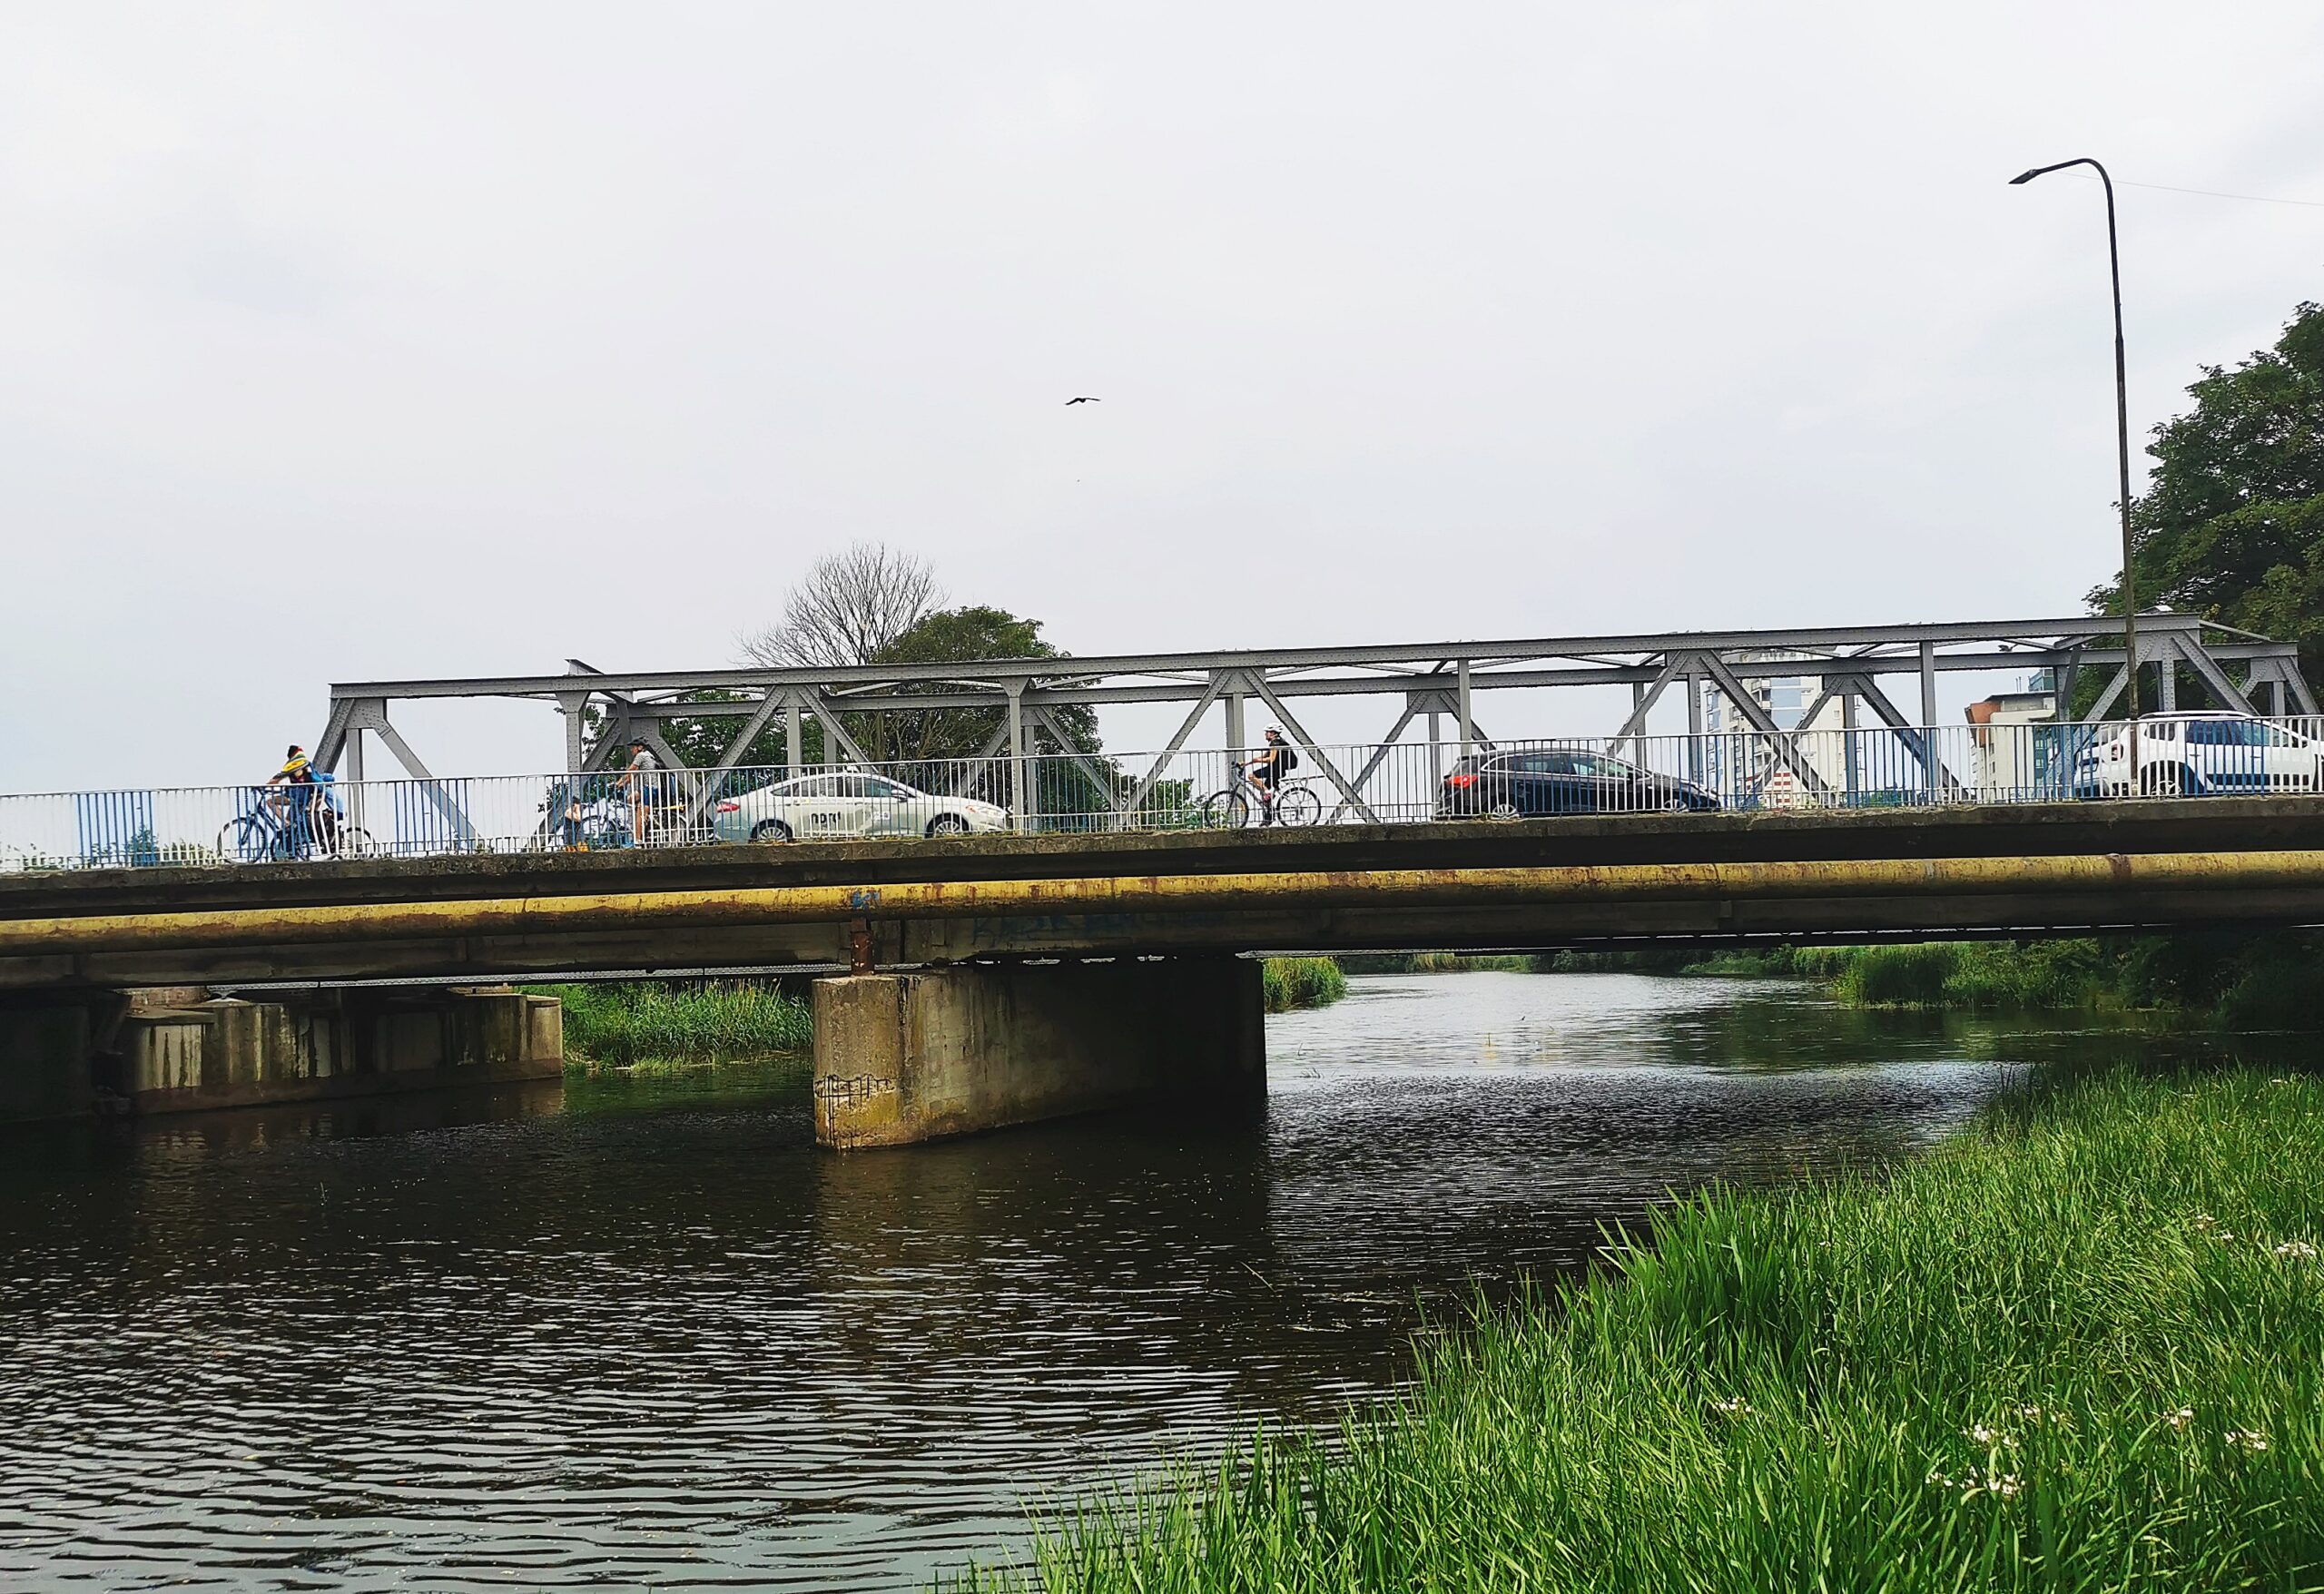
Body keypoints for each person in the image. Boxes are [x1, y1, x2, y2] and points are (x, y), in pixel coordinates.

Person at [1242, 727, 1298, 825]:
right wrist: (1246, 763)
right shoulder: (1276, 742)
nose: (1265, 735)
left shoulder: (1275, 743)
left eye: (1267, 732)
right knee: (1265, 796)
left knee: (1251, 776)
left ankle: (1268, 793)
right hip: (1276, 769)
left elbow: (1271, 759)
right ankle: (1268, 818)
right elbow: (1263, 757)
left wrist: (1256, 760)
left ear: (1272, 733)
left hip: (1276, 770)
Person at [616, 739, 663, 844]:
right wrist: (620, 785)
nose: (631, 750)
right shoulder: (648, 755)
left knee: (640, 813)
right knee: (630, 799)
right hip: (649, 788)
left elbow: (631, 770)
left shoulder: (641, 756)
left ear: (640, 747)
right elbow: (632, 776)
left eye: (633, 748)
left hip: (649, 787)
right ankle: (640, 824)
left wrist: (617, 782)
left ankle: (638, 840)